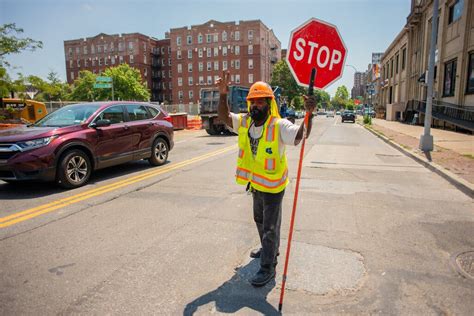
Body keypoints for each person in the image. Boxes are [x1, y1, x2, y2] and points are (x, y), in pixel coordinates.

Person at [216, 71, 316, 287]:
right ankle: (269, 247)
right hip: (257, 185)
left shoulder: (278, 125)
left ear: (269, 103)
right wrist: (223, 95)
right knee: (259, 220)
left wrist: (309, 115)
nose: (256, 105)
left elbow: (301, 135)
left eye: (261, 101)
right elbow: (224, 117)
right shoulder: (246, 122)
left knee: (270, 227)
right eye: (253, 101)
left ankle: (268, 267)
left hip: (274, 186)